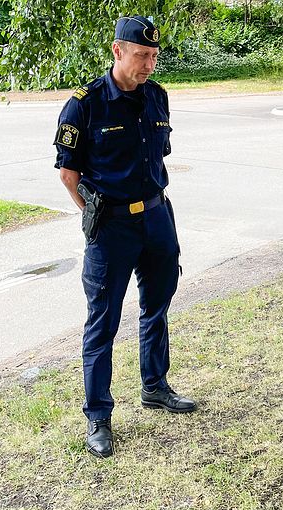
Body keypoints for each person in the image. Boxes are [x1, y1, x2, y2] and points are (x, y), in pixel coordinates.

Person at [53, 15, 196, 459]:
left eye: (153, 56)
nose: (149, 64)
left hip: (156, 217)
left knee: (157, 307)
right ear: (117, 51)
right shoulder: (85, 104)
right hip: (111, 227)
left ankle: (154, 386)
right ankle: (98, 416)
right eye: (141, 56)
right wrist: (95, 215)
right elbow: (69, 175)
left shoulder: (157, 97)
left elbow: (157, 159)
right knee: (103, 323)